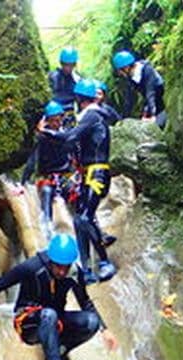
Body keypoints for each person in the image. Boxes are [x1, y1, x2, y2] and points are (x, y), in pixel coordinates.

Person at [38, 79, 117, 284]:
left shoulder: (92, 115)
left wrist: (45, 131)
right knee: (79, 220)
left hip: (97, 173)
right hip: (88, 174)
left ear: (79, 99)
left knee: (83, 218)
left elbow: (70, 137)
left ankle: (105, 262)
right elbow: (71, 142)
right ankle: (86, 268)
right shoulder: (89, 117)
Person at [20, 101, 80, 233]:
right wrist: (22, 183)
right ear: (47, 121)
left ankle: (87, 225)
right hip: (48, 177)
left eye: (59, 120)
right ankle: (46, 227)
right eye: (53, 121)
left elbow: (74, 151)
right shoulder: (42, 139)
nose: (56, 123)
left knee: (78, 195)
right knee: (47, 192)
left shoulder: (65, 134)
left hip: (65, 177)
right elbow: (32, 161)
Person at [112, 50, 167, 129]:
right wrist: (123, 120)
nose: (120, 73)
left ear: (126, 68)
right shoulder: (131, 77)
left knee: (158, 125)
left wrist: (152, 115)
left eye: (120, 70)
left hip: (162, 102)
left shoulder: (147, 70)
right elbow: (129, 99)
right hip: (150, 103)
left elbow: (150, 92)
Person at [48, 47, 81, 127]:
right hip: (53, 114)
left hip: (69, 114)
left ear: (74, 65)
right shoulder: (52, 77)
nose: (68, 68)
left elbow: (80, 100)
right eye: (66, 65)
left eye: (71, 65)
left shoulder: (77, 79)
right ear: (61, 63)